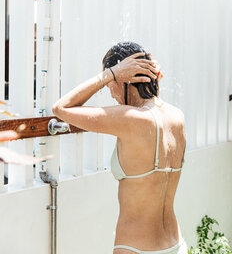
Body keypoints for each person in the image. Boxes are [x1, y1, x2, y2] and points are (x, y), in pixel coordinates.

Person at [52, 41, 187, 254]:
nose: (110, 92)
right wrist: (150, 77)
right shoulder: (176, 116)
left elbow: (60, 108)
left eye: (110, 85)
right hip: (176, 244)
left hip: (136, 247)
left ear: (124, 79)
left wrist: (110, 73)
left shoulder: (130, 119)